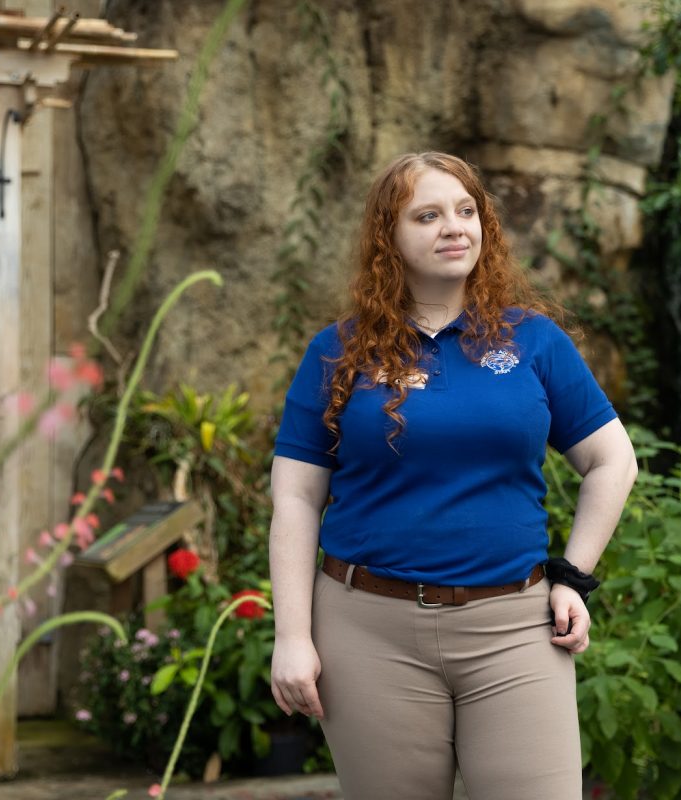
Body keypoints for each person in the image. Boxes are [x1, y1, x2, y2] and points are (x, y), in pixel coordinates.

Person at [268, 151, 637, 800]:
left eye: (466, 212)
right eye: (428, 215)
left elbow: (612, 461)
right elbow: (297, 499)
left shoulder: (534, 342)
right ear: (389, 238)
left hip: (516, 629)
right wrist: (293, 637)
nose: (454, 227)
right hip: (367, 632)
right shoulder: (337, 353)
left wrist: (572, 576)